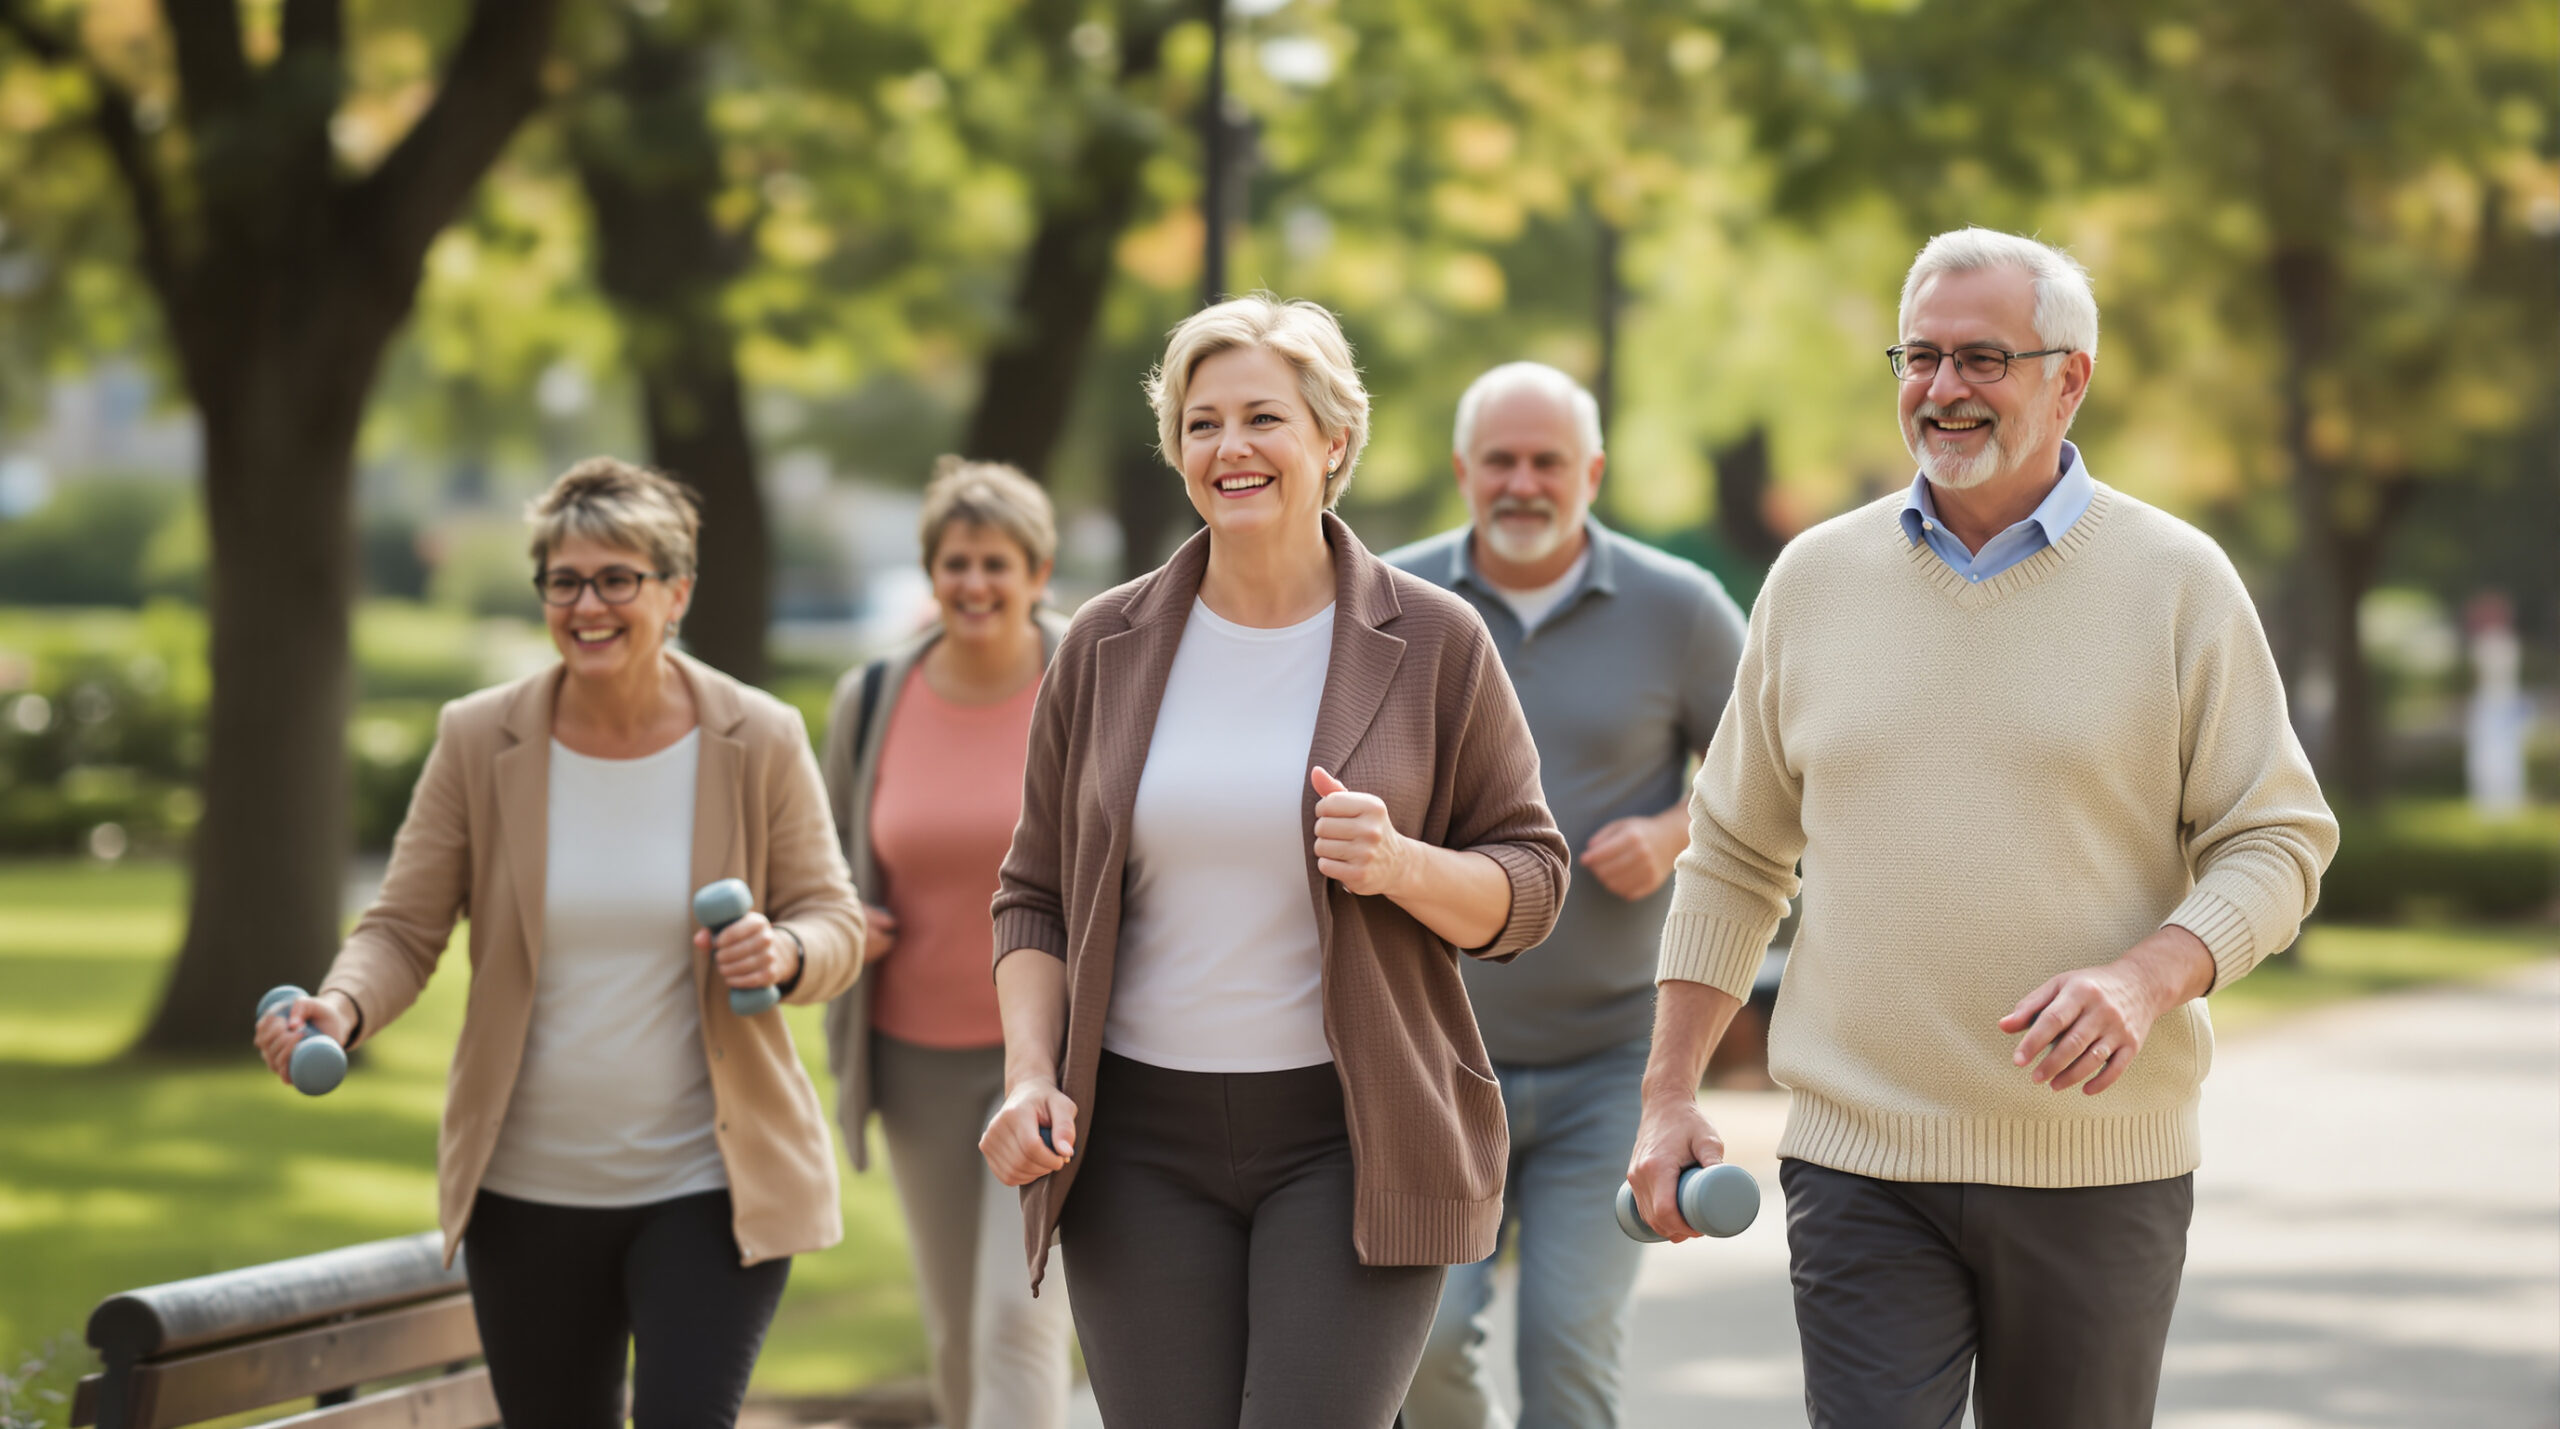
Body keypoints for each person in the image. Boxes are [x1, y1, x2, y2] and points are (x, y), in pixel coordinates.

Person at [1626, 228, 2339, 1429]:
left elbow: (2276, 837)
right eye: (1920, 357)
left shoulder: (2177, 581)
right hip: (1860, 1163)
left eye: (1982, 359)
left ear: (2070, 379)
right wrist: (1667, 1090)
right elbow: (1736, 850)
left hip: (2098, 1167)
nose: (1943, 390)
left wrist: (2145, 978)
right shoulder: (1811, 579)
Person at [977, 294, 1570, 1428]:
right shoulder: (1104, 643)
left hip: (1352, 1134)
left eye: (1263, 418)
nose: (1230, 449)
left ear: (1332, 440)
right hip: (1136, 1142)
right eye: (1202, 424)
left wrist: (1401, 866)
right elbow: (1034, 893)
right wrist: (1026, 1075)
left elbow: (1532, 884)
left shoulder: (1435, 640)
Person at [253, 458, 865, 1429]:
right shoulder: (479, 738)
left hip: (709, 1184)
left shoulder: (759, 735)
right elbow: (405, 926)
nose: (588, 603)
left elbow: (834, 918)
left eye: (618, 578)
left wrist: (783, 952)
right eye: (564, 580)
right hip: (527, 1187)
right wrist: (345, 1004)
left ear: (675, 593)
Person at [1388, 362, 1746, 1429]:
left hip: (1608, 1063)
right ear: (1462, 471)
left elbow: (1779, 781)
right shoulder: (1391, 602)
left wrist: (1679, 830)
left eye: (1548, 461)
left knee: (1567, 1353)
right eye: (1499, 459)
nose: (1523, 481)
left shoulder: (1679, 609)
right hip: (1432, 1058)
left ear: (1591, 472)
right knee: (1423, 1344)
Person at [818, 457, 1075, 1429]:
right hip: (914, 1057)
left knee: (1018, 1320)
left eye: (996, 563)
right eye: (955, 563)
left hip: (1050, 1061)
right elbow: (828, 852)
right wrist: (845, 912)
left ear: (1038, 570)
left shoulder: (1084, 678)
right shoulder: (875, 696)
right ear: (931, 573)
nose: (974, 584)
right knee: (954, 1333)